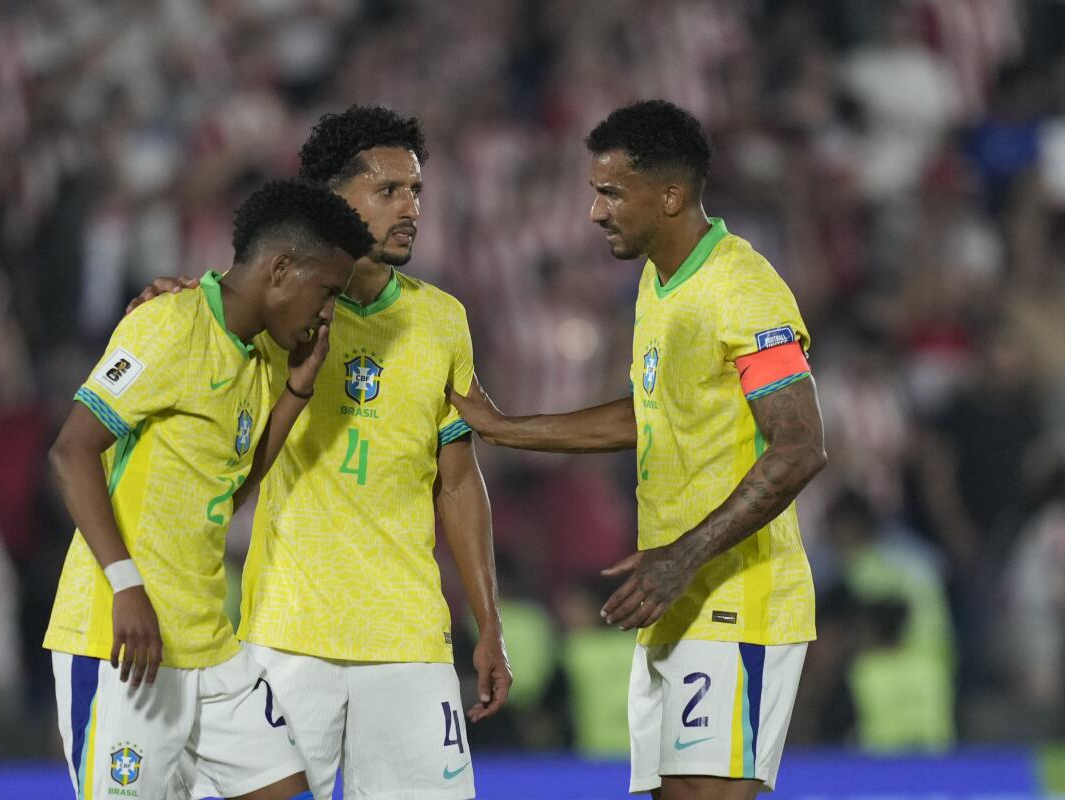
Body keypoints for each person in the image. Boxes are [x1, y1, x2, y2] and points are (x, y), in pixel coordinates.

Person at [129, 106, 510, 800]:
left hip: (409, 640)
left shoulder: (442, 321)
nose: (411, 209)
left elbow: (457, 482)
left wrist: (490, 626)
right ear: (334, 198)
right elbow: (203, 327)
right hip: (286, 632)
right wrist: (167, 301)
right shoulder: (276, 309)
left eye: (417, 191)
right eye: (388, 190)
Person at [450, 100, 828, 799]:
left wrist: (682, 556)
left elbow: (801, 446)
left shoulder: (741, 288)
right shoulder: (659, 280)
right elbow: (652, 415)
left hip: (736, 600)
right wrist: (506, 427)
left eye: (611, 193)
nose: (595, 212)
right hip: (674, 596)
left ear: (671, 194)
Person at [43, 180, 373, 800]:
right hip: (120, 638)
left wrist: (297, 393)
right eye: (327, 292)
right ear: (280, 270)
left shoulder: (266, 357)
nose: (328, 313)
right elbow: (71, 451)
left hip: (205, 639)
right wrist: (127, 587)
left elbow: (231, 486)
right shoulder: (170, 324)